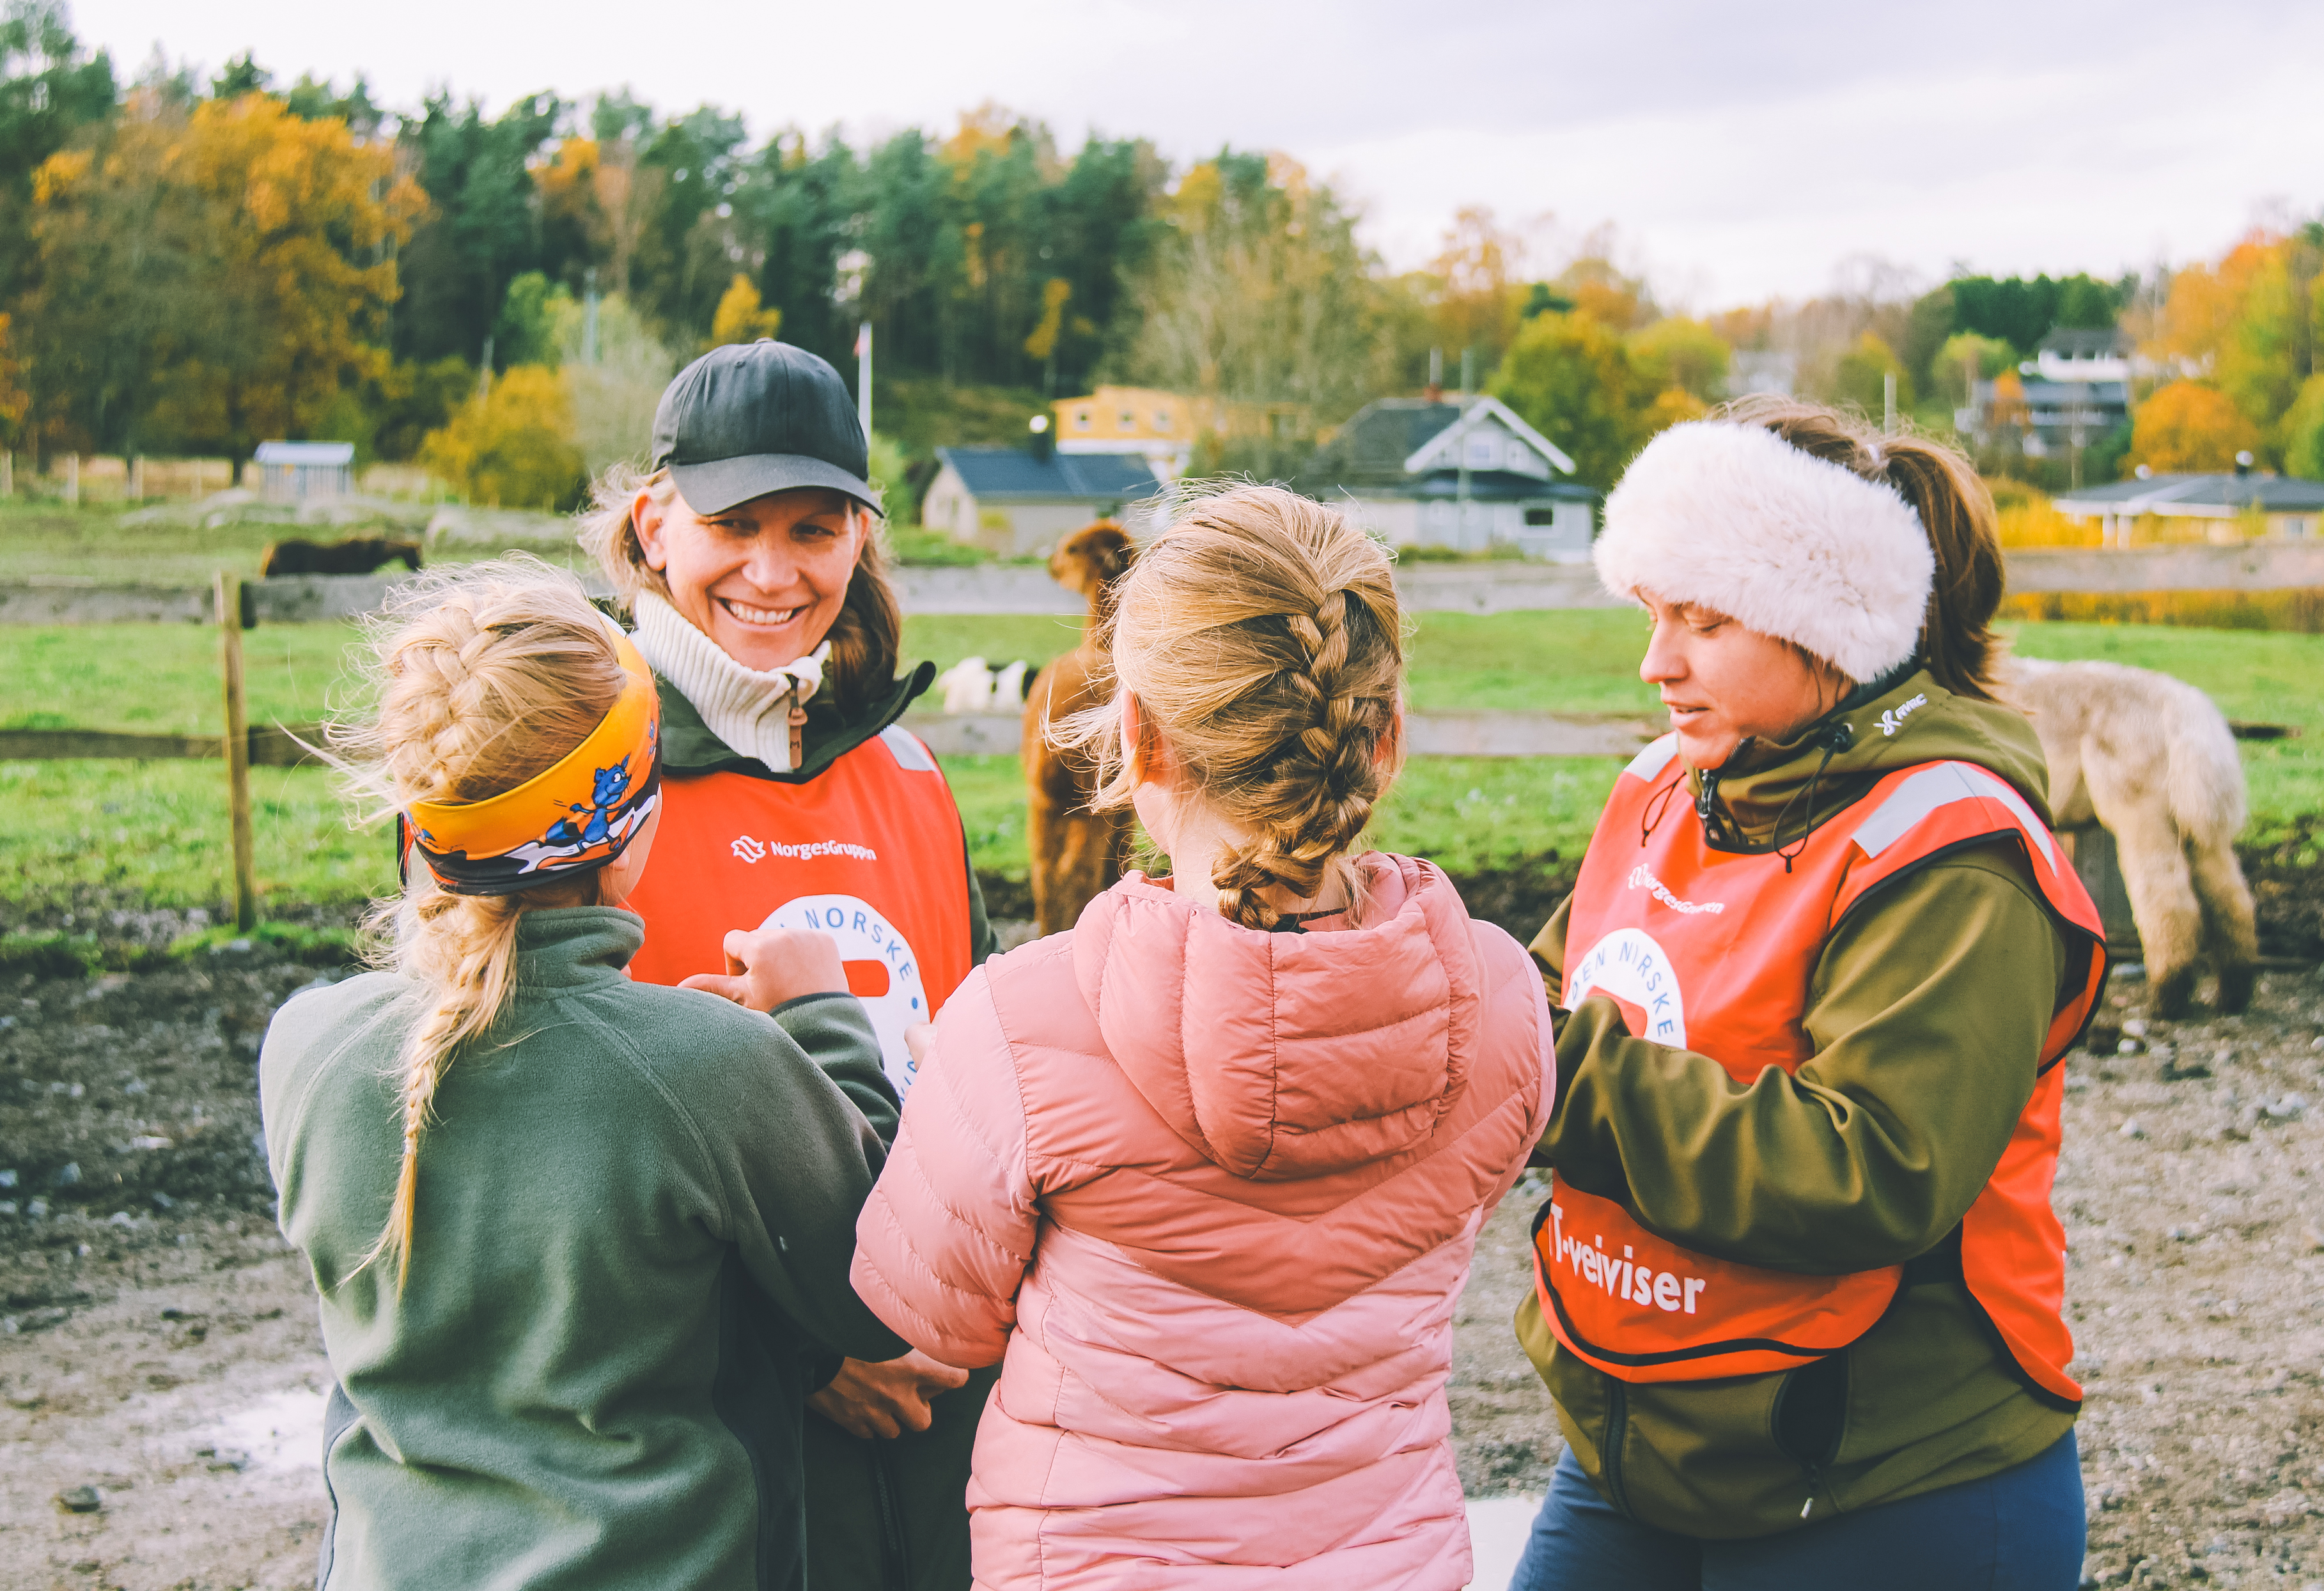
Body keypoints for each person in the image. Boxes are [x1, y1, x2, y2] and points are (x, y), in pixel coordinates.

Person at [849, 483, 1557, 1590]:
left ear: (1137, 736)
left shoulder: (1022, 1021)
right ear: (1383, 738)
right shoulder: (1503, 1000)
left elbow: (930, 1318)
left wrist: (827, 1030)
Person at [1507, 401, 2106, 1590]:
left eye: (1705, 620)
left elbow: (1871, 1166)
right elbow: (1548, 992)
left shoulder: (1950, 852)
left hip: (1888, 1480)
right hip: (1642, 1444)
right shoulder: (1664, 788)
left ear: (1832, 625)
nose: (1656, 662)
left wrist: (1535, 1067)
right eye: (1651, 612)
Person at [261, 560, 909, 1588]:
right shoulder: (712, 1067)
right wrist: (821, 1019)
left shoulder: (305, 1047)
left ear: (416, 816)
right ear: (633, 818)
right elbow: (877, 1293)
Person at [579, 339, 998, 1591]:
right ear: (654, 524)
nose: (773, 573)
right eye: (733, 526)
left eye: (813, 530)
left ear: (860, 539)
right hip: (716, 1453)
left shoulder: (911, 775)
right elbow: (537, 1166)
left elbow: (977, 1094)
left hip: (943, 1439)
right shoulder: (576, 789)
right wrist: (805, 1348)